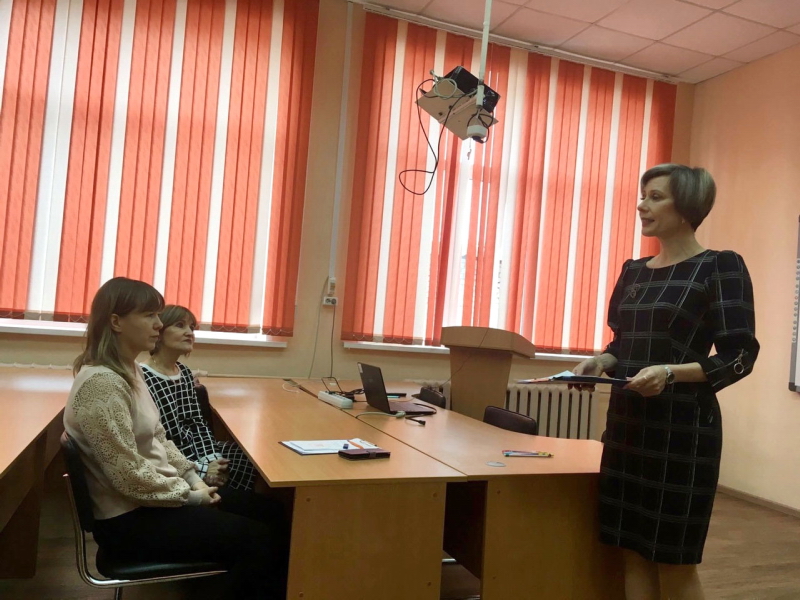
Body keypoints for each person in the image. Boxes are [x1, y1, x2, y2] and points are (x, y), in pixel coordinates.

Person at [572, 164, 759, 600]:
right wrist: (600, 361)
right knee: (632, 550)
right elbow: (623, 342)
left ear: (687, 207)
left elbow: (740, 356)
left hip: (682, 433)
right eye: (643, 195)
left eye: (656, 197)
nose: (642, 205)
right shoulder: (634, 271)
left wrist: (670, 373)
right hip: (627, 428)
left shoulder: (720, 267)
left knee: (672, 560)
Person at [64, 277, 289, 599]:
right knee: (259, 539)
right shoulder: (102, 384)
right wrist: (191, 496)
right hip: (129, 520)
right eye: (149, 316)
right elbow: (128, 476)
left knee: (272, 512)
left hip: (156, 499)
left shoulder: (130, 371)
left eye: (158, 315)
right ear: (116, 322)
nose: (158, 324)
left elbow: (159, 439)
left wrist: (192, 479)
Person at [142, 304, 256, 490]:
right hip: (169, 461)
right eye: (180, 325)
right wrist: (202, 470)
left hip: (196, 451)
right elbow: (160, 441)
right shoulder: (143, 377)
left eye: (192, 327)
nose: (189, 333)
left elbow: (196, 423)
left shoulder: (184, 372)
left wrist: (212, 459)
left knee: (248, 457)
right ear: (159, 331)